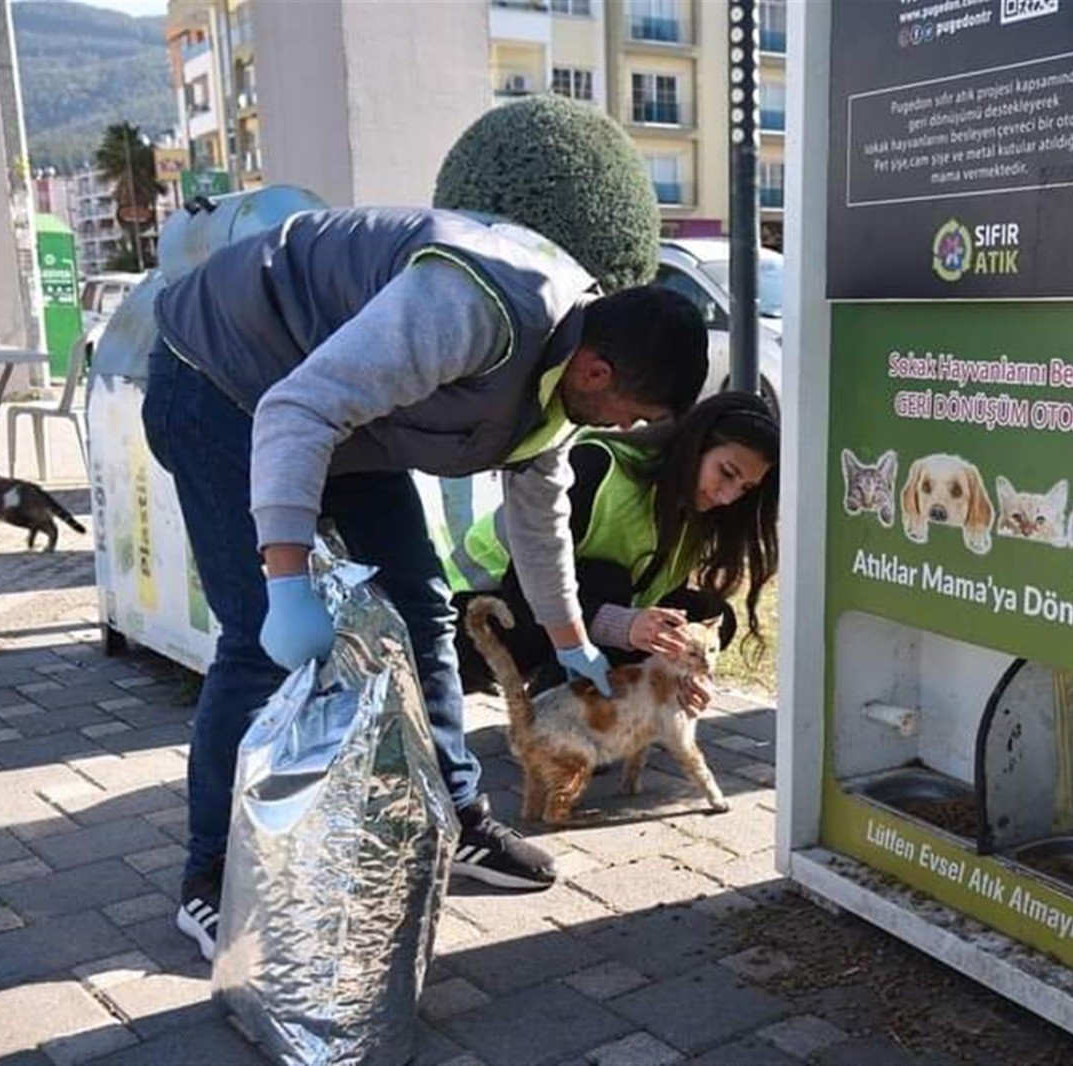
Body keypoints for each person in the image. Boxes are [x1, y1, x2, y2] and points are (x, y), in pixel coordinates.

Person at [140, 206, 708, 960]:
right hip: (225, 378)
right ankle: (210, 874)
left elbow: (539, 516)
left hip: (342, 412)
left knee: (423, 611)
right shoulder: (472, 311)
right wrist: (285, 584)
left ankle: (461, 817)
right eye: (633, 418)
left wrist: (575, 643)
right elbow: (298, 407)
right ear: (596, 371)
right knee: (255, 641)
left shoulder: (566, 381)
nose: (630, 433)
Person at [447, 391, 779, 708]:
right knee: (609, 581)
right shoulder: (597, 465)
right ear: (695, 445)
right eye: (727, 473)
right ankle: (559, 719)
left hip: (555, 620)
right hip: (474, 617)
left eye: (745, 489)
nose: (728, 497)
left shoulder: (698, 516)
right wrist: (626, 625)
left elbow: (653, 598)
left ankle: (601, 709)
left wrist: (684, 671)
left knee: (708, 616)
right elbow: (528, 588)